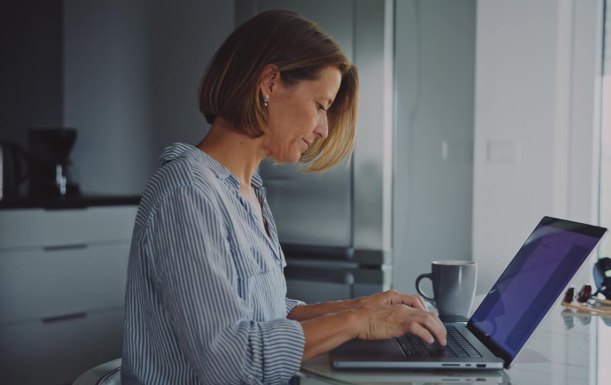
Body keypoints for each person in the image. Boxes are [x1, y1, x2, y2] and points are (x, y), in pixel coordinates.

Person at [122, 9, 446, 385]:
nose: (324, 129)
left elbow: (265, 315)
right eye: (321, 106)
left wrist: (358, 306)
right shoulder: (187, 191)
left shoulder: (248, 190)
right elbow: (232, 361)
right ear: (270, 83)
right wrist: (358, 321)